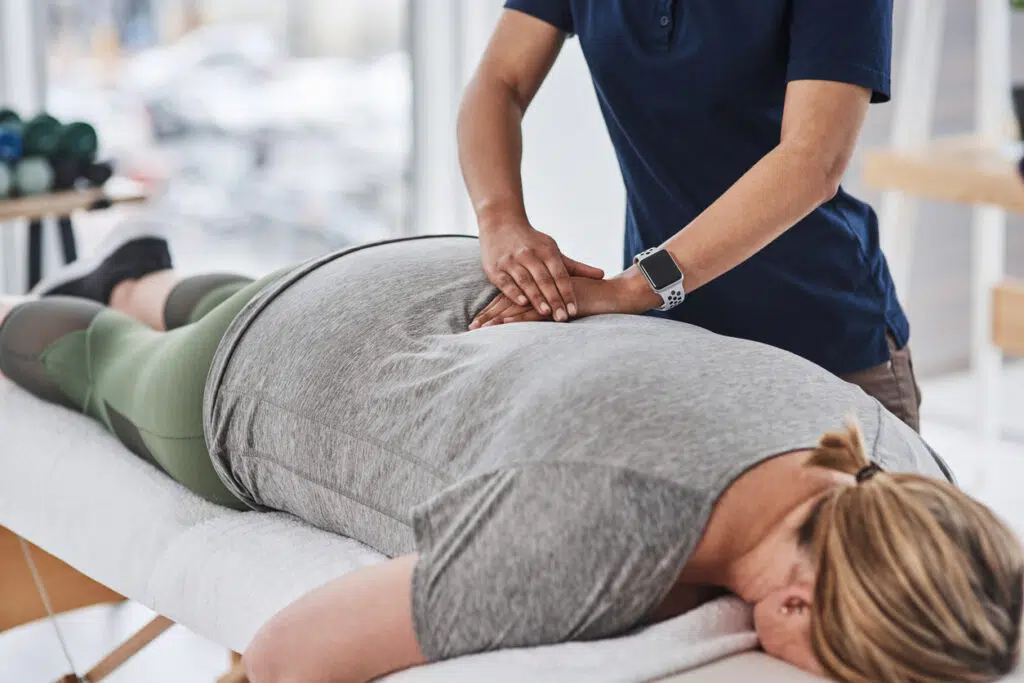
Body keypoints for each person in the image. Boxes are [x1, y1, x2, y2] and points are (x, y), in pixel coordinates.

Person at [1, 223, 1019, 683]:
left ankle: (142, 270)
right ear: (793, 610)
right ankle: (86, 308)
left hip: (441, 276)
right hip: (269, 371)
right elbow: (286, 656)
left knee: (205, 297)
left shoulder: (899, 459)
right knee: (103, 358)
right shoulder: (588, 535)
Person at [459, 2, 922, 431]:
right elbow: (500, 80)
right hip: (677, 349)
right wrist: (500, 219)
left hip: (826, 348)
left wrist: (632, 289)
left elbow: (810, 163)